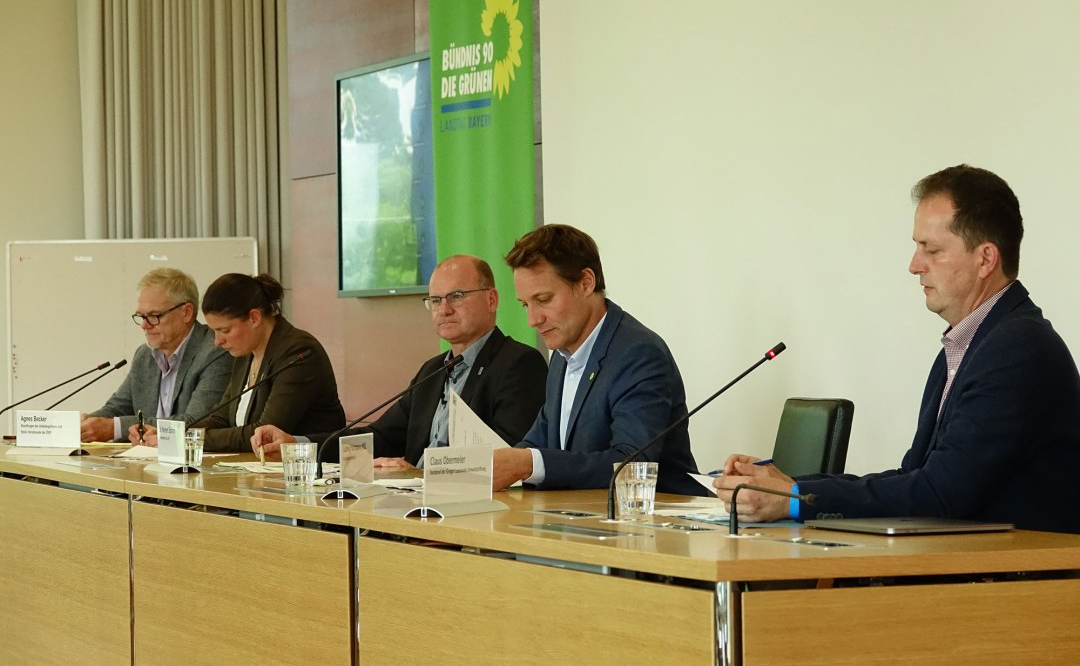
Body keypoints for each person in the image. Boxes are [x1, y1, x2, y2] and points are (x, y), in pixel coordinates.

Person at [714, 165, 1080, 534]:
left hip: (1019, 581)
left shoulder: (1017, 349)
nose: (914, 265)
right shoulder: (969, 343)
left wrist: (796, 498)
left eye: (932, 250)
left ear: (985, 259)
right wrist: (788, 485)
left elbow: (941, 496)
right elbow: (915, 476)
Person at [251, 255, 548, 465]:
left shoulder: (518, 363)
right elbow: (378, 437)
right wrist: (297, 445)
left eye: (456, 296)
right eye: (434, 300)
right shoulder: (432, 371)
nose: (443, 309)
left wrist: (420, 473)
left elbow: (509, 455)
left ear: (492, 299)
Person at [491, 224, 707, 495]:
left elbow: (631, 464)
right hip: (581, 519)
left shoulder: (638, 353)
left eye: (543, 300)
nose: (533, 319)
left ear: (585, 283)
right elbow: (539, 440)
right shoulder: (562, 355)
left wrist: (528, 463)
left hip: (655, 521)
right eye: (526, 304)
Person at [135, 273, 344, 452]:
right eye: (214, 331)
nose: (217, 341)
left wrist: (187, 440)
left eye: (224, 331)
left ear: (254, 318)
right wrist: (172, 434)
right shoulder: (247, 352)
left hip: (310, 474)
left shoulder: (297, 352)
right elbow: (221, 416)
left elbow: (263, 432)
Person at [80, 268, 232, 442]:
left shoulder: (215, 351)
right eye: (140, 316)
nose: (144, 325)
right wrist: (88, 423)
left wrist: (114, 428)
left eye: (153, 316)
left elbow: (196, 423)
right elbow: (117, 409)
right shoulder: (144, 355)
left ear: (186, 312)